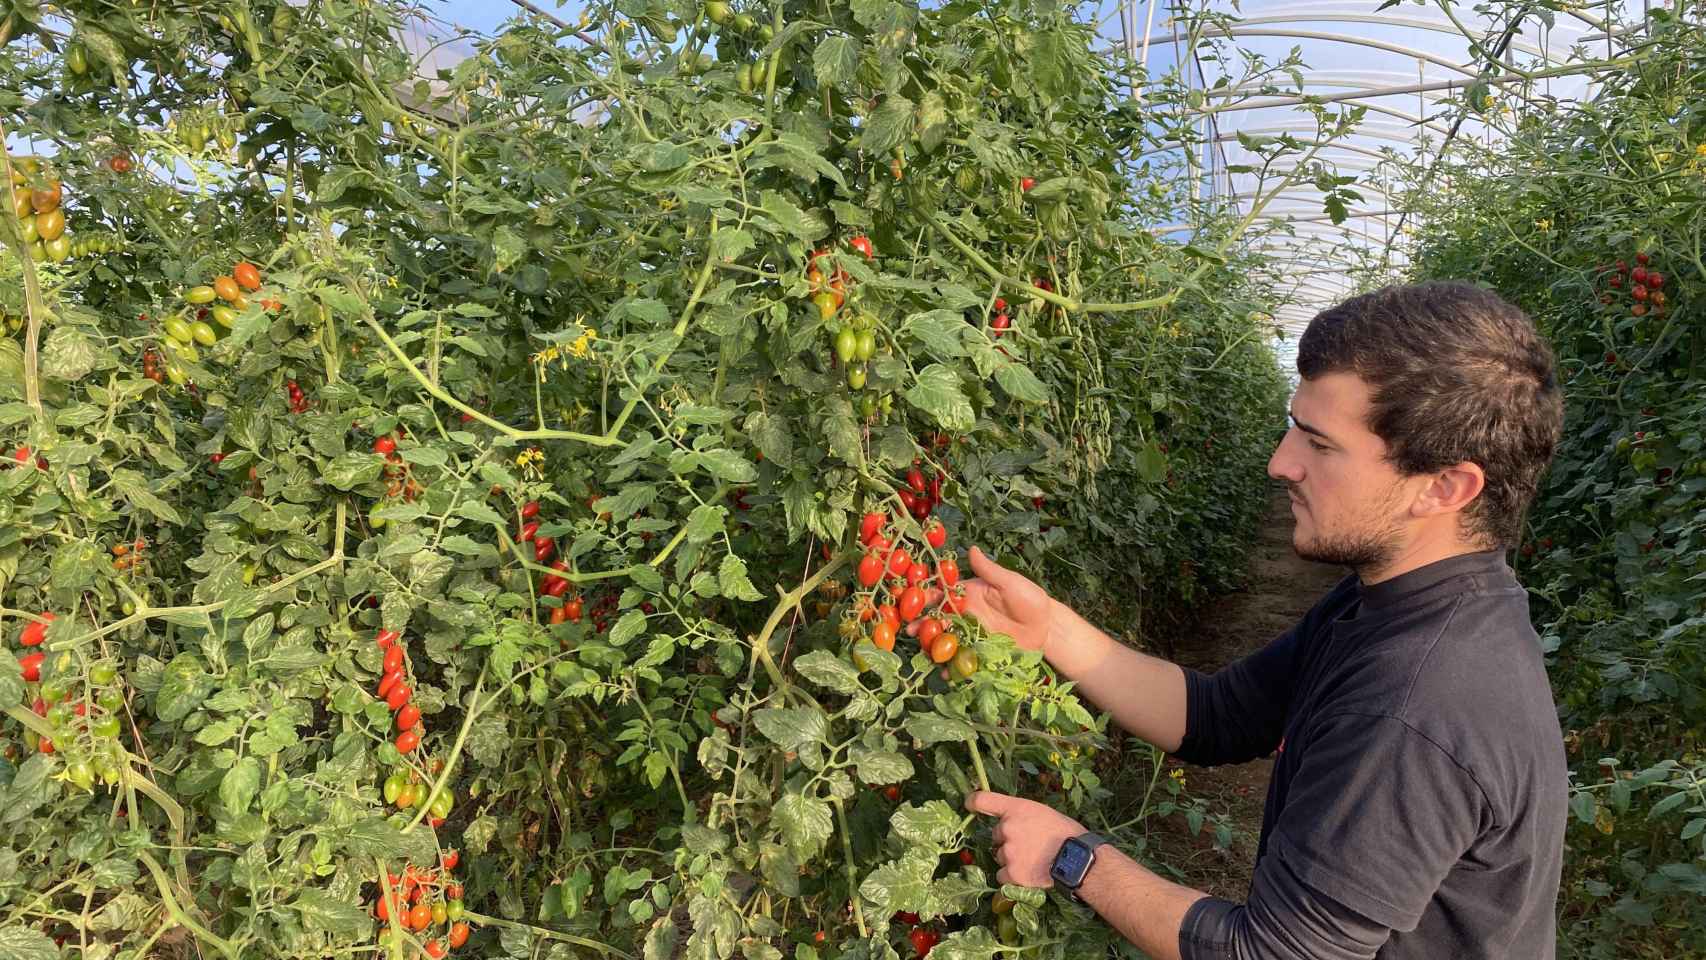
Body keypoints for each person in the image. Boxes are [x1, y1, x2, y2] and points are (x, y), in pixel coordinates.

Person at [944, 282, 1568, 959]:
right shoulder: (1398, 602)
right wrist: (1050, 630)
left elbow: (1273, 953)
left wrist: (1073, 856)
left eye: (1320, 444)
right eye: (1292, 425)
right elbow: (1218, 716)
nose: (1281, 462)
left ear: (1444, 487)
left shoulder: (1420, 699)